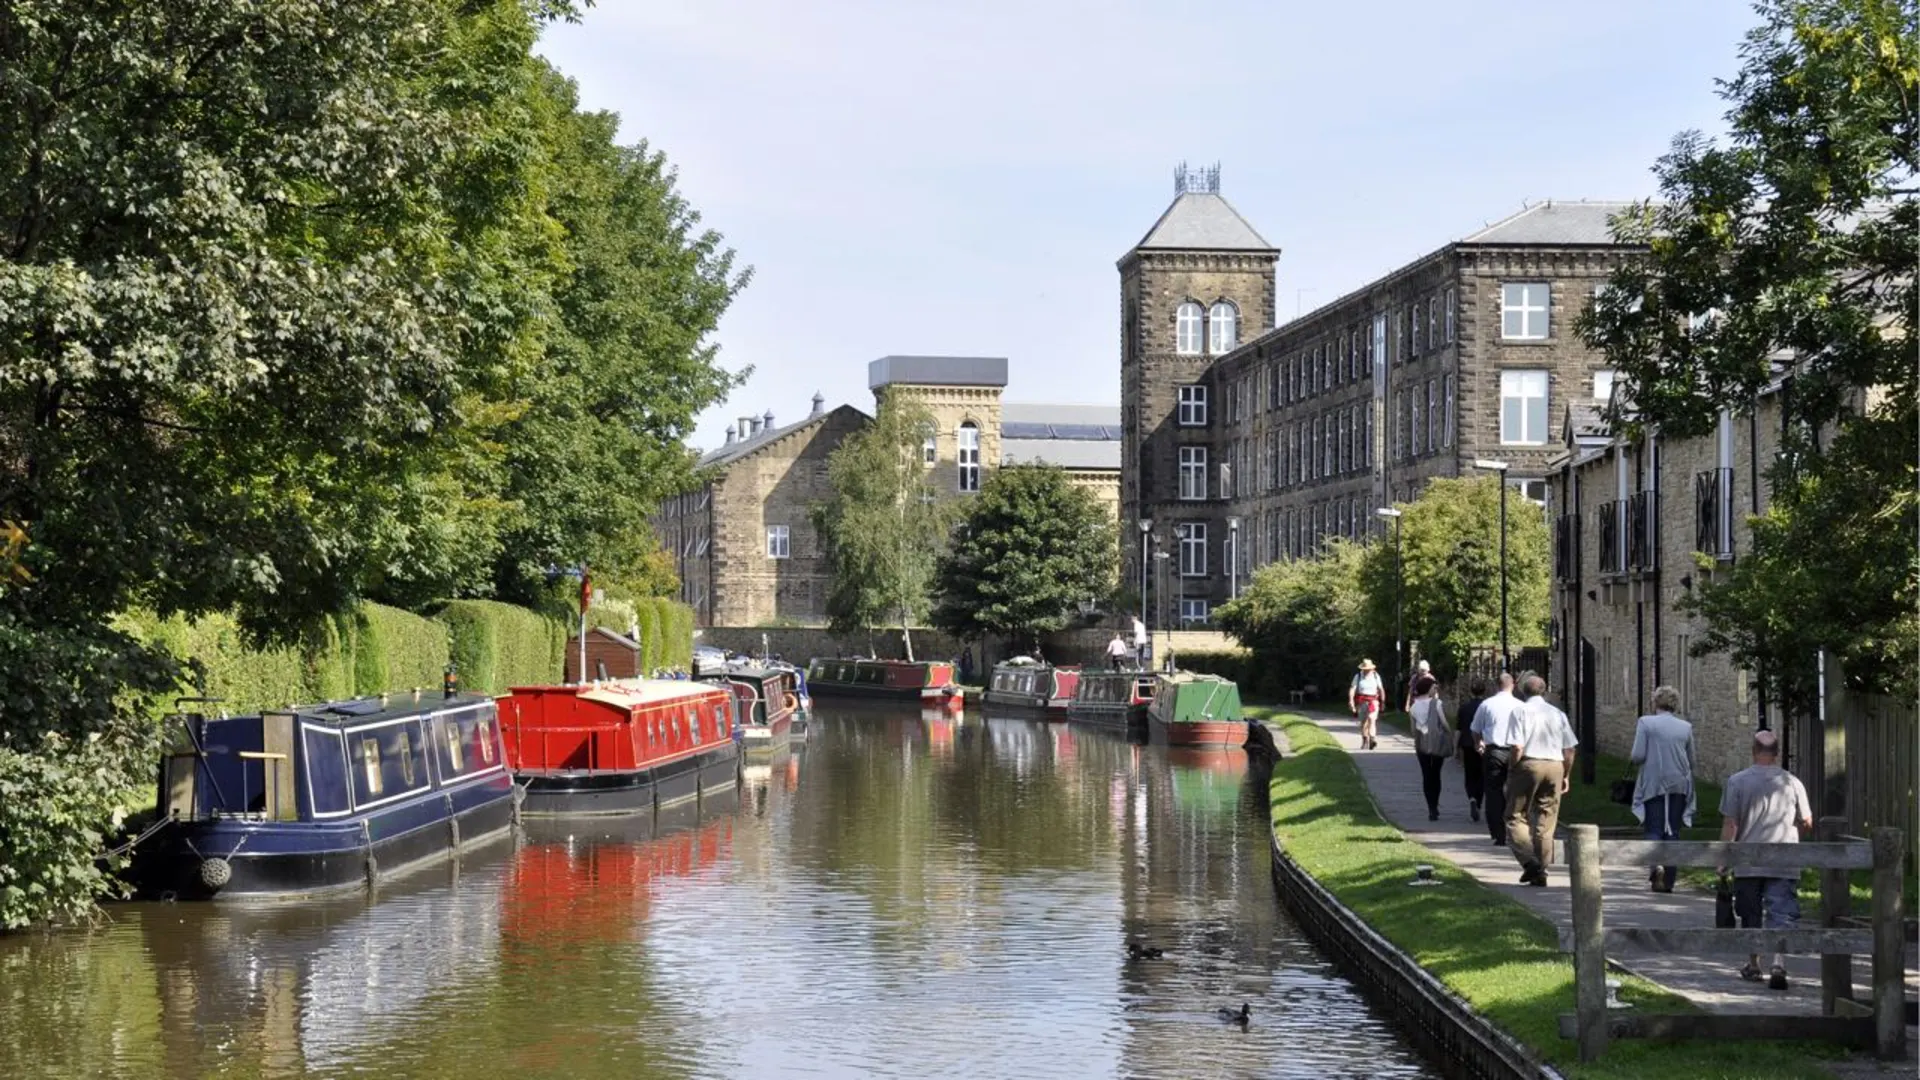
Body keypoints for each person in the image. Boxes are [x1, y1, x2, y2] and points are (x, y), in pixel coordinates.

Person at [1719, 729, 1812, 990]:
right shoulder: (1792, 783)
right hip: (1783, 860)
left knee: (1750, 913)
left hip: (1748, 861)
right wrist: (1795, 836)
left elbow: (1730, 824)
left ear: (1753, 750)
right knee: (1781, 912)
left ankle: (1754, 963)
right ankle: (1778, 962)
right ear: (1777, 754)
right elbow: (1806, 820)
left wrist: (1724, 857)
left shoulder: (1737, 782)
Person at [1504, 674, 1577, 887]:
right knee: (1546, 818)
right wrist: (1566, 774)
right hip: (1554, 764)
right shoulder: (1557, 714)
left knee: (1515, 815)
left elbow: (1517, 746)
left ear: (1522, 692)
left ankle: (1529, 862)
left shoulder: (1520, 711)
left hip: (1529, 763)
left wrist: (1512, 767)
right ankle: (1542, 870)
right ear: (1544, 691)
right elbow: (1570, 749)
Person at [1630, 685, 1696, 893]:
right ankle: (1669, 880)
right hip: (1679, 783)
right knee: (1673, 830)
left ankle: (1656, 866)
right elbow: (1692, 760)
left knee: (1654, 827)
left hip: (1654, 782)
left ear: (1655, 702)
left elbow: (1637, 755)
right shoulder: (1685, 727)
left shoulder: (1646, 723)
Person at [1471, 673, 1520, 846]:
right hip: (1517, 751)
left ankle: (1498, 833)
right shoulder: (1520, 706)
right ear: (1512, 685)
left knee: (1493, 791)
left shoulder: (1487, 704)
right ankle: (1516, 831)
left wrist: (1479, 744)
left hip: (1494, 751)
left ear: (1496, 685)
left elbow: (1475, 729)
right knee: (1515, 792)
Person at [1408, 674, 1453, 821]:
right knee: (1436, 774)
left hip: (1421, 743)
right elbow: (1444, 722)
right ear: (1428, 688)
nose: (1435, 689)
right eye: (1434, 687)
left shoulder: (1413, 706)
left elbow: (1413, 730)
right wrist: (1449, 733)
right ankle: (1435, 804)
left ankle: (1431, 808)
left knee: (1426, 775)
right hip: (1437, 742)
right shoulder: (1436, 703)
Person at [1454, 679, 1488, 823]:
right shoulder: (1487, 707)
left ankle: (1472, 797)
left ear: (1470, 692)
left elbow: (1458, 729)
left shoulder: (1464, 708)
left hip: (1467, 744)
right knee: (1481, 774)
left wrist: (1455, 747)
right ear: (1484, 691)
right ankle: (1478, 801)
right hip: (1483, 745)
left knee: (1469, 773)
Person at [1348, 659, 1385, 750]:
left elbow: (1381, 689)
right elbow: (1352, 689)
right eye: (1365, 669)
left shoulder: (1376, 676)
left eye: (1368, 669)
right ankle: (1365, 740)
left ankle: (1372, 739)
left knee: (1372, 719)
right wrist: (1351, 701)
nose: (1367, 670)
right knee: (1363, 723)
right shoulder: (1358, 676)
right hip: (1361, 701)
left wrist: (1383, 702)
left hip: (1373, 701)